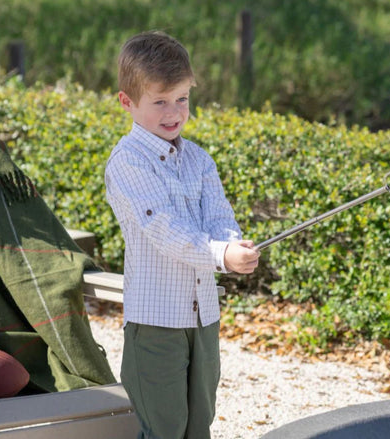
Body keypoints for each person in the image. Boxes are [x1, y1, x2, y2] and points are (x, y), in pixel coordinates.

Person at [105, 30, 260, 439]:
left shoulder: (199, 160)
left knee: (199, 426)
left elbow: (219, 217)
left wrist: (231, 244)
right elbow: (164, 229)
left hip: (203, 317)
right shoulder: (127, 164)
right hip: (155, 323)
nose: (174, 112)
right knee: (165, 429)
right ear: (127, 101)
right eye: (159, 102)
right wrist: (219, 255)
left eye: (182, 99)